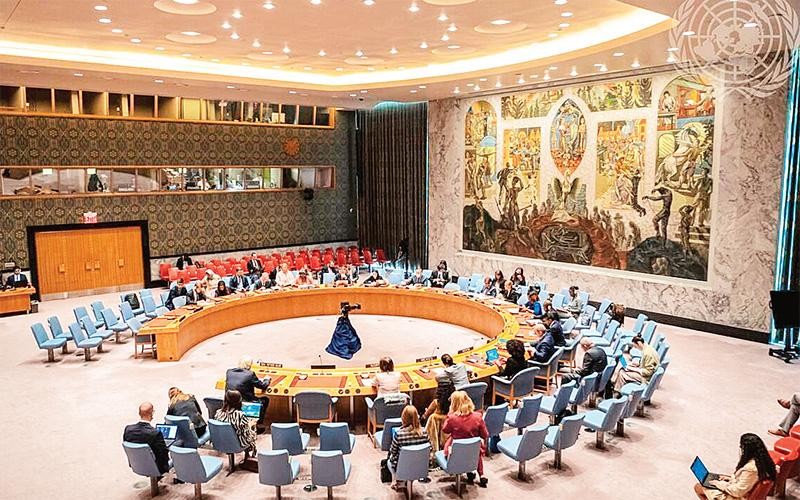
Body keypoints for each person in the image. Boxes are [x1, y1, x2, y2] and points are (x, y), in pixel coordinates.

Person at [693, 433, 776, 500]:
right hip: (744, 491)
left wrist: (720, 484)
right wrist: (729, 479)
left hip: (739, 496)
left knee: (698, 487)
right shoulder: (762, 460)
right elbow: (746, 481)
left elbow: (738, 491)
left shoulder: (751, 469)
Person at [442, 391, 489, 488]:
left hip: (455, 449)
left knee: (451, 448)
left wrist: (449, 415)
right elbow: (485, 435)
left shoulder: (452, 418)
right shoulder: (478, 416)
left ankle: (464, 471)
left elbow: (445, 430)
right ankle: (481, 475)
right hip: (473, 449)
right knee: (476, 451)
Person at [387, 406, 430, 490]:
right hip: (421, 467)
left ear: (403, 418)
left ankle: (396, 479)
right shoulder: (424, 432)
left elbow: (393, 451)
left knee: (390, 461)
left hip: (402, 467)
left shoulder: (399, 434)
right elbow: (429, 450)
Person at [122, 402, 170, 475]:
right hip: (156, 468)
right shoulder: (155, 433)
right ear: (152, 413)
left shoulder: (128, 429)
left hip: (136, 465)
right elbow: (163, 455)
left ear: (139, 413)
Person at [225, 356, 270, 431]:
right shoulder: (250, 374)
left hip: (230, 402)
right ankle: (257, 425)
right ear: (249, 365)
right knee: (265, 400)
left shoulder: (229, 372)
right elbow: (263, 386)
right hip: (245, 403)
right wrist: (266, 379)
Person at [214, 390, 257, 458]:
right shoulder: (240, 415)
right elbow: (245, 433)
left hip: (222, 441)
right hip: (237, 443)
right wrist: (251, 424)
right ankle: (248, 455)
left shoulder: (218, 413)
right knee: (252, 431)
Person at [422, 375, 454, 454]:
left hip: (435, 435)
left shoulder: (436, 403)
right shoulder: (453, 404)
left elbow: (425, 415)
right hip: (448, 437)